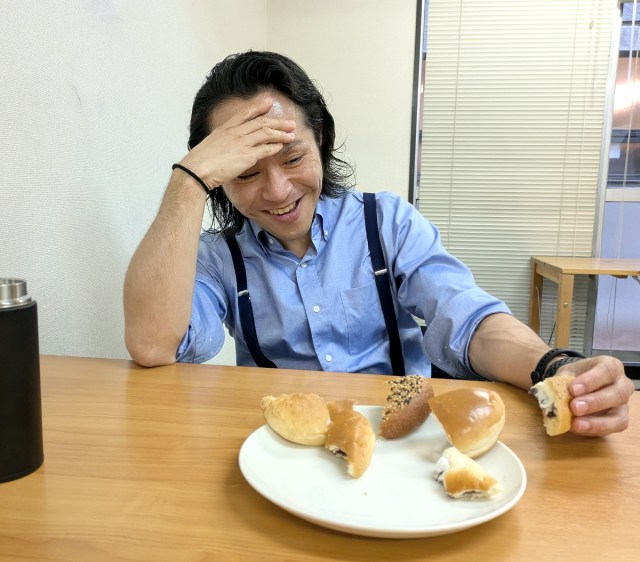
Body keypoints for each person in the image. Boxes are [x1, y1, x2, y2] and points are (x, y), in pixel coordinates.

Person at [123, 50, 633, 437]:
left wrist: (556, 366)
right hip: (282, 444)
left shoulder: (385, 221)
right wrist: (187, 182)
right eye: (246, 171)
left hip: (403, 434)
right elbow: (153, 345)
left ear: (321, 139)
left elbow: (468, 319)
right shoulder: (218, 256)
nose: (277, 191)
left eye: (293, 158)